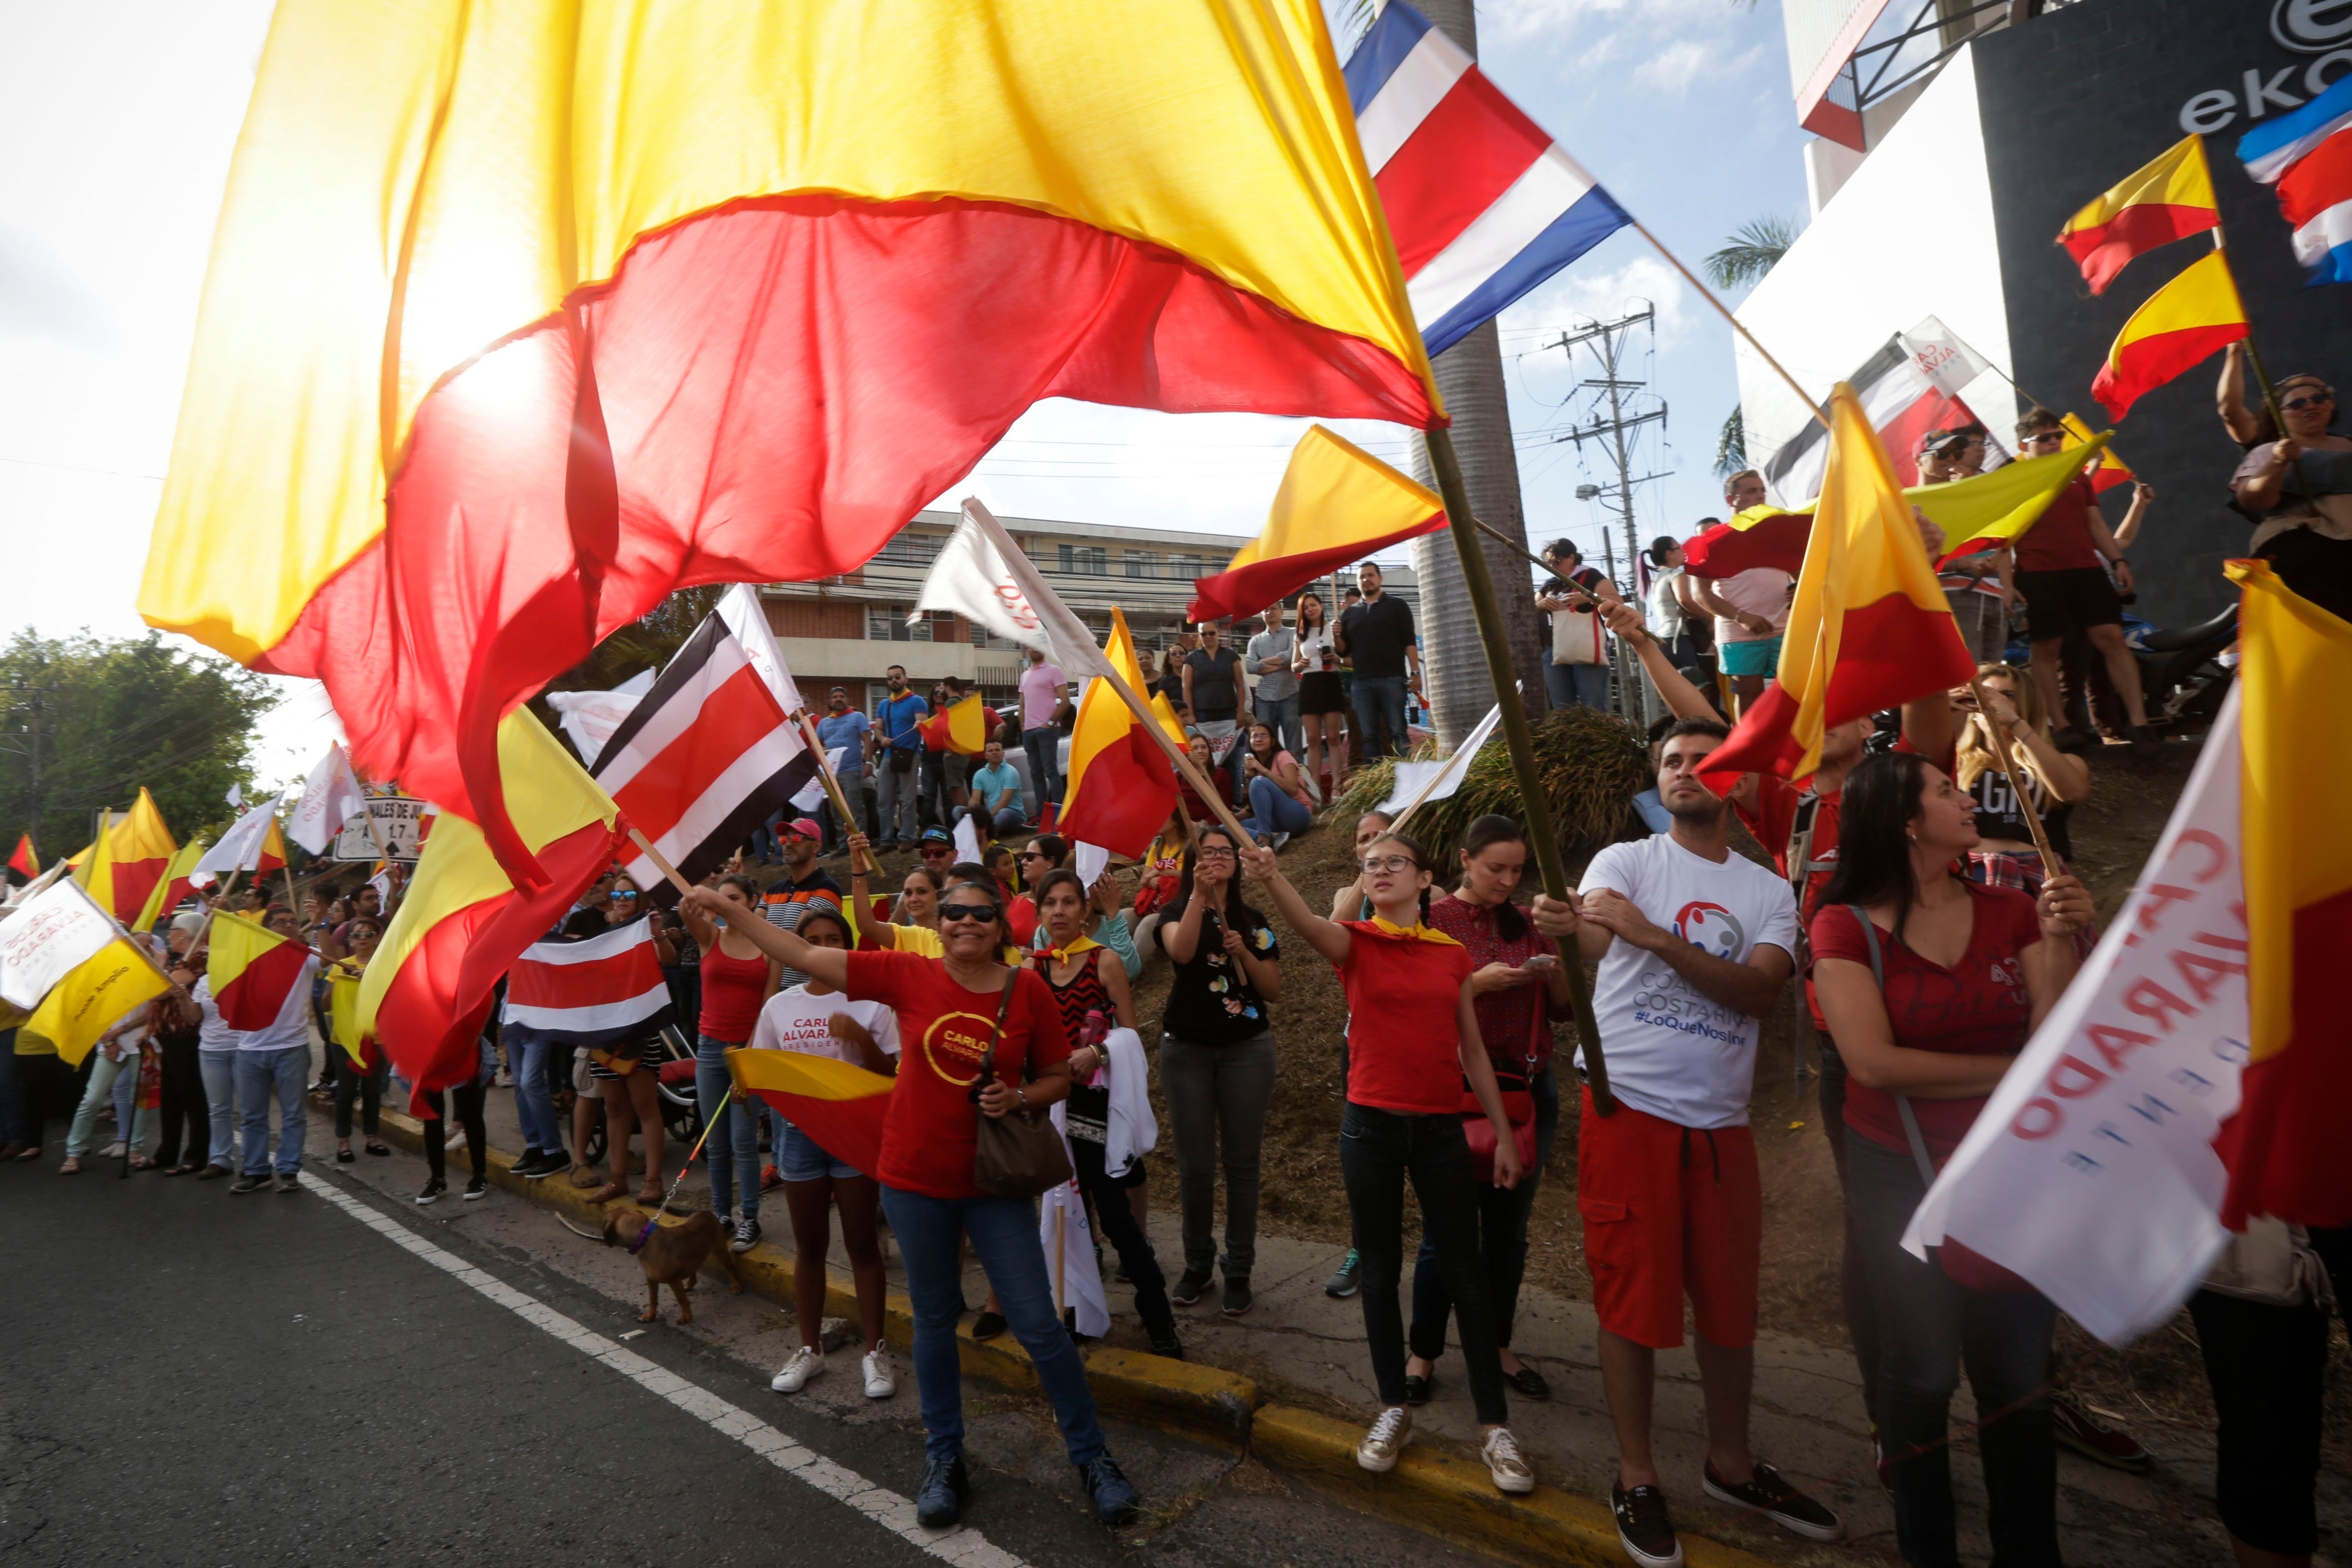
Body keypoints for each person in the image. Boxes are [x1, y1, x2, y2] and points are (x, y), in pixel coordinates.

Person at [680, 877, 1145, 1531]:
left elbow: (1051, 1076)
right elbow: (806, 956)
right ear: (940, 923)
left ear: (998, 925)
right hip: (912, 1181)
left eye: (979, 913)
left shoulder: (1026, 989)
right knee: (932, 1322)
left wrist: (1020, 1100)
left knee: (1039, 1327)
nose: (963, 922)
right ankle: (944, 1456)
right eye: (951, 911)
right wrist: (731, 910)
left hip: (992, 1186)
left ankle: (1092, 1458)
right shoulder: (907, 973)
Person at [1528, 720, 1840, 1565]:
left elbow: (1758, 994)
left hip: (1722, 1125)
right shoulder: (1626, 863)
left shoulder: (1770, 889)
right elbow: (1591, 936)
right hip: (1628, 1110)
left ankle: (1730, 1462)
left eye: (1703, 760)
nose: (1685, 770)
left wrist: (1657, 936)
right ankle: (1636, 1472)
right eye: (1670, 761)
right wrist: (1568, 929)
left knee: (1730, 1302)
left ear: (1735, 782)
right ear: (1657, 781)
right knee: (1632, 1296)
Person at [1808, 751, 2093, 1568]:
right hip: (1900, 1172)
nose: (1965, 797)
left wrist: (2057, 939)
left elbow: (2058, 1039)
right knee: (1925, 1369)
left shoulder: (2011, 909)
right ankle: (1928, 1548)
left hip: (2010, 1170)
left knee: (2016, 1378)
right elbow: (1873, 1062)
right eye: (1944, 789)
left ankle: (2029, 1552)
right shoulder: (1843, 922)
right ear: (1904, 819)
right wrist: (2013, 1074)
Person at [1239, 830, 1535, 1496]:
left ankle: (1493, 1426)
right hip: (1368, 1128)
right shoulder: (1357, 944)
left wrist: (1503, 1136)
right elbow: (1310, 922)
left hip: (1437, 1130)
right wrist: (1270, 877)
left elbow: (1472, 1055)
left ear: (1424, 879)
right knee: (1376, 1269)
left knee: (1465, 1268)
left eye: (1392, 863)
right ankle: (1391, 1407)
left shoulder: (1450, 955)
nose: (1378, 870)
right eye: (1368, 863)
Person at [1404, 816, 1575, 1405]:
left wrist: (1551, 975)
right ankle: (1421, 1353)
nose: (1506, 880)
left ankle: (1498, 1345)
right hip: (1451, 1091)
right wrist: (1473, 985)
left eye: (1515, 870)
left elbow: (1563, 1012)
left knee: (1508, 1233)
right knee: (1444, 1232)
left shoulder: (1529, 923)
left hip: (1526, 1090)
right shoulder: (1434, 919)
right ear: (1464, 860)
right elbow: (1412, 1003)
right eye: (1494, 868)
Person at [750, 907, 902, 1400]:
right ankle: (809, 1350)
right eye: (811, 938)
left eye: (832, 938)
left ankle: (875, 1352)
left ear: (848, 945)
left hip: (854, 1135)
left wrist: (860, 1040)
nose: (822, 946)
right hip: (798, 1138)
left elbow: (889, 1075)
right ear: (798, 948)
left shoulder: (871, 1002)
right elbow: (765, 1075)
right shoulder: (778, 1006)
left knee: (861, 1244)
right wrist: (745, 1083)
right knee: (809, 1247)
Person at [1028, 868, 1181, 1358]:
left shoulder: (1104, 961)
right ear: (1039, 912)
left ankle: (1158, 1317)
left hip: (1097, 1109)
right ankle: (1077, 1312)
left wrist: (1098, 1054)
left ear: (1085, 911)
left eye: (1068, 902)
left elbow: (1131, 1035)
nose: (1058, 911)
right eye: (1049, 903)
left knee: (1114, 1218)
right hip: (1050, 1111)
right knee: (1062, 1213)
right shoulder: (1032, 971)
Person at [1151, 824, 1283, 1318]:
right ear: (1193, 864)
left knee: (1242, 1165)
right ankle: (1197, 1265)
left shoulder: (1252, 919)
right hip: (1185, 1050)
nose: (1216, 858)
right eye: (1206, 853)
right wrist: (1197, 898)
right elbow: (1181, 952)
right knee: (1195, 1168)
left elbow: (1271, 989)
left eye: (1225, 852)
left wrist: (1243, 950)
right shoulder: (1172, 912)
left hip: (1247, 1050)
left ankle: (1240, 1269)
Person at [2008, 408, 2154, 754]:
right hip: (2037, 571)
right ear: (2022, 445)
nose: (2053, 442)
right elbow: (2002, 536)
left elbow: (2095, 525)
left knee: (2112, 637)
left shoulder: (2077, 475)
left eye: (2056, 436)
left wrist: (2117, 560)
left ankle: (2139, 722)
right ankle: (2059, 726)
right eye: (2043, 438)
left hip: (2085, 568)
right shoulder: (2012, 477)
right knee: (2047, 648)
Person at [681, 873, 783, 1251]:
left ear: (753, 901)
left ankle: (749, 1219)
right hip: (709, 1049)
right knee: (715, 1141)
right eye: (720, 899)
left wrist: (749, 1056)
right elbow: (685, 910)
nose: (726, 905)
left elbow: (768, 1006)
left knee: (744, 1140)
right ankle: (722, 1215)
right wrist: (694, 896)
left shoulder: (766, 945)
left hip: (747, 1050)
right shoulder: (711, 936)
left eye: (735, 898)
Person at [1951, 663, 2090, 894]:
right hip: (1972, 872)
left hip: (2039, 877)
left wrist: (2016, 724)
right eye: (1984, 695)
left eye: (2008, 696)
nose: (1993, 704)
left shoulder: (2067, 762)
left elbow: (2074, 793)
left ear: (2028, 707)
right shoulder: (1955, 763)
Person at [2227, 371, 2352, 620]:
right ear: (2278, 416)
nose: (2310, 406)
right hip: (2311, 552)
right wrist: (2278, 462)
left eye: (2318, 399)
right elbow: (2252, 499)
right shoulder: (2268, 451)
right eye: (2297, 404)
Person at [587, 901, 679, 1206]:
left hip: (640, 1034)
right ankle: (618, 1179)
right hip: (605, 1033)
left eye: (628, 891)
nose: (622, 897)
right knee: (613, 1107)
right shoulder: (602, 934)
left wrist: (658, 934)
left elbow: (669, 959)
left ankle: (653, 1181)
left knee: (645, 1106)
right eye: (617, 892)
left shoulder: (645, 935)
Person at [231, 905, 322, 1195]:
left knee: (293, 1114)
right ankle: (256, 1171)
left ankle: (289, 1170)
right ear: (266, 927)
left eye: (293, 922)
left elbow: (330, 957)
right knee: (253, 1116)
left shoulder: (306, 957)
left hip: (291, 1049)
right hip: (250, 1050)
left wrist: (319, 924)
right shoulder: (249, 958)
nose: (288, 926)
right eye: (280, 922)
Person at [1685, 469, 1791, 715]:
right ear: (1731, 500)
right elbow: (1700, 594)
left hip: (1786, 628)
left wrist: (1797, 590)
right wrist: (1742, 618)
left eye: (1762, 490)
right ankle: (1751, 752)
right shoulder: (1712, 541)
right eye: (1752, 491)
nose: (1761, 496)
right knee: (1749, 696)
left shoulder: (1777, 535)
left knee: (1792, 693)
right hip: (1738, 634)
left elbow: (1799, 573)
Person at [1917, 429, 2015, 667]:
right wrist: (1964, 563)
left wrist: (2007, 587)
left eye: (1956, 453)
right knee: (1966, 676)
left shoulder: (1966, 492)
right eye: (1942, 454)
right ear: (1919, 460)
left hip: (1992, 593)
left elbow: (1997, 537)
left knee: (1990, 676)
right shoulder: (1909, 503)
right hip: (1953, 593)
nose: (1951, 459)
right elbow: (1910, 559)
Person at [58, 998, 156, 1175]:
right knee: (92, 1099)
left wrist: (120, 1030)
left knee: (140, 1101)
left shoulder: (150, 970)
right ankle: (73, 1153)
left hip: (141, 1043)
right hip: (109, 1043)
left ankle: (134, 1150)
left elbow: (154, 1009)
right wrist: (109, 1041)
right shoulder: (103, 974)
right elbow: (91, 1011)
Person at [1335, 563, 1419, 760]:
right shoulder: (1349, 614)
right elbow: (1344, 650)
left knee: (1398, 731)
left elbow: (1409, 641)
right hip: (1362, 683)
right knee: (1369, 737)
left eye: (1371, 575)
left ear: (1380, 579)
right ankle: (1376, 784)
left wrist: (1415, 673)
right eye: (1362, 577)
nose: (1366, 580)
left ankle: (1408, 778)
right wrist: (1336, 636)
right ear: (1358, 582)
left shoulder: (1397, 605)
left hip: (1393, 679)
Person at [327, 917, 393, 1164]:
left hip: (376, 1038)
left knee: (372, 1090)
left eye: (368, 935)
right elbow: (325, 1005)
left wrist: (373, 979)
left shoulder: (386, 966)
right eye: (357, 935)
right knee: (345, 1091)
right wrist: (341, 980)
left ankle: (372, 1138)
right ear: (350, 941)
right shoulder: (340, 964)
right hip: (344, 1039)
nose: (363, 939)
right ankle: (343, 1142)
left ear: (377, 939)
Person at [151, 913, 211, 1176]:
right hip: (169, 1038)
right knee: (171, 1098)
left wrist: (160, 966)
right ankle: (167, 1151)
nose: (168, 935)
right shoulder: (181, 960)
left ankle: (197, 1155)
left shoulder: (203, 956)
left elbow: (160, 989)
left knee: (192, 1097)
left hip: (187, 1037)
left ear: (185, 934)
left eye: (172, 930)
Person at [759, 820, 846, 991]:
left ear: (816, 846)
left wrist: (760, 935)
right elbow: (751, 932)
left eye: (797, 838)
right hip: (765, 990)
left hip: (804, 991)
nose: (789, 844)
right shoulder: (773, 889)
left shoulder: (827, 888)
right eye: (784, 839)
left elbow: (798, 938)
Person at [1536, 541, 1621, 712]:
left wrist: (1589, 598)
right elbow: (1532, 609)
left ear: (1572, 557)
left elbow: (1617, 601)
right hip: (1553, 650)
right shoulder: (1550, 584)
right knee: (1562, 709)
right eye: (1550, 563)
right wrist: (1542, 604)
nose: (1553, 566)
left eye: (1557, 561)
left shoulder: (1591, 576)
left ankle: (1596, 738)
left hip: (1586, 645)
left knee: (1593, 707)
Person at [417, 1029, 493, 1205]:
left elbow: (485, 1003)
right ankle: (437, 1179)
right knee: (432, 1115)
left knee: (470, 1113)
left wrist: (475, 1032)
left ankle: (480, 1176)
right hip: (430, 1044)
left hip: (462, 1042)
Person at [1291, 590, 1348, 800]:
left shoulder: (1332, 627)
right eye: (1306, 607)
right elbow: (1293, 665)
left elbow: (1343, 652)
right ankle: (1315, 790)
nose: (1310, 609)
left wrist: (1337, 639)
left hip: (1331, 680)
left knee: (1333, 737)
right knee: (1313, 739)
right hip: (1309, 684)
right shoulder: (1299, 633)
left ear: (1321, 606)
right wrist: (1300, 664)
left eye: (1313, 605)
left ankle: (1336, 787)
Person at [869, 664, 930, 848]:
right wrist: (882, 738)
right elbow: (878, 729)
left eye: (897, 677)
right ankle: (886, 840)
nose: (893, 681)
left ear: (906, 679)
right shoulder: (884, 704)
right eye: (890, 678)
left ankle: (907, 838)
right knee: (883, 799)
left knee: (908, 798)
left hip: (909, 754)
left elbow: (923, 723)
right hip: (888, 755)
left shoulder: (917, 701)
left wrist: (919, 723)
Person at [815, 686, 872, 857]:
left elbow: (868, 739)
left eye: (841, 696)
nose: (838, 699)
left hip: (852, 770)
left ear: (847, 699)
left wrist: (869, 762)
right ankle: (843, 845)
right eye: (835, 697)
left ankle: (861, 844)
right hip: (831, 773)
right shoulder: (824, 723)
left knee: (855, 807)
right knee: (836, 809)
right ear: (830, 701)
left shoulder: (857, 717)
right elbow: (817, 744)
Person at [1236, 721, 1313, 848]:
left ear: (1273, 741)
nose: (1259, 739)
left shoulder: (1283, 756)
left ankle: (1264, 840)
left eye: (1264, 735)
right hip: (1274, 822)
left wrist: (1263, 771)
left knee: (1259, 782)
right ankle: (1275, 838)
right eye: (1254, 736)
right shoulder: (1254, 767)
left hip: (1298, 815)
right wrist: (1234, 817)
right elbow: (1255, 809)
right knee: (1226, 828)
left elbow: (1293, 789)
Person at [1245, 603, 1303, 760]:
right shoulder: (1255, 641)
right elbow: (1250, 667)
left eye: (1274, 608)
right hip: (1264, 699)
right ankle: (1269, 781)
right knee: (1265, 748)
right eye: (1266, 609)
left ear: (1282, 611)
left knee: (1295, 748)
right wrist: (1283, 666)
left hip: (1290, 695)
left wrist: (1263, 663)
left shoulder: (1293, 634)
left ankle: (1297, 782)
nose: (1269, 612)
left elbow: (1292, 656)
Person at [1018, 645, 1072, 809]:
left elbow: (1065, 701)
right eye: (1031, 646)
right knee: (1036, 775)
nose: (1035, 649)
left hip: (1047, 731)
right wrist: (1023, 726)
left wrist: (1049, 723)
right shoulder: (1025, 675)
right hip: (1029, 732)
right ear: (1027, 649)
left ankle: (1057, 814)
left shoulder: (1054, 670)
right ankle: (1040, 815)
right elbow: (1022, 705)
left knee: (1051, 772)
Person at [1180, 619, 1245, 748]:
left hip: (1229, 714)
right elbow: (1186, 688)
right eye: (1204, 634)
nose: (1208, 637)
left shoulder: (1231, 656)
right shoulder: (1191, 659)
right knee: (1205, 752)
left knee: (1231, 753)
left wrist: (1241, 711)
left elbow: (1240, 685)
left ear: (1219, 633)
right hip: (1202, 715)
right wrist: (1191, 714)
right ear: (1200, 636)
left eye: (1212, 633)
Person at [966, 739, 1027, 837]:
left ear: (1003, 753)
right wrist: (972, 817)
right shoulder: (979, 774)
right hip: (991, 816)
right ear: (985, 755)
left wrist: (987, 819)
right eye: (990, 751)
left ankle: (984, 834)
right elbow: (975, 800)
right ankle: (982, 831)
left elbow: (1005, 802)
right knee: (958, 811)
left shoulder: (1011, 772)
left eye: (997, 750)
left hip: (1012, 814)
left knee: (1004, 813)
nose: (994, 753)